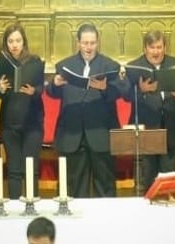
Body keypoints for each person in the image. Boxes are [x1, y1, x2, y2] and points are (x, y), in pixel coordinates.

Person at [47, 23, 124, 198]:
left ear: (98, 43)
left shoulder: (110, 66)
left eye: (92, 43)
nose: (88, 47)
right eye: (85, 43)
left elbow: (120, 92)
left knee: (104, 186)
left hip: (100, 134)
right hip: (72, 135)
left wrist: (105, 88)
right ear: (78, 43)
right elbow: (52, 92)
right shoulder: (65, 66)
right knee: (74, 189)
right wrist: (54, 84)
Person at [121, 29, 175, 192]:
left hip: (171, 131)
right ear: (145, 48)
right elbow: (125, 95)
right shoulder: (134, 66)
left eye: (159, 47)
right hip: (146, 133)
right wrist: (141, 89)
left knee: (169, 183)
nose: (156, 51)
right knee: (147, 183)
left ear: (165, 48)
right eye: (152, 47)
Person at [0, 22, 46, 200]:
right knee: (14, 168)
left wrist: (34, 91)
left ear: (24, 42)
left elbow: (41, 88)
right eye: (10, 41)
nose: (14, 45)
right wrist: (0, 88)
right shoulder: (1, 63)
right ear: (6, 43)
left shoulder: (35, 62)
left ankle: (32, 204)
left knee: (31, 166)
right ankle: (15, 205)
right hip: (10, 121)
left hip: (32, 121)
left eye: (18, 40)